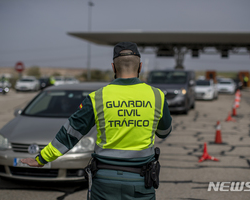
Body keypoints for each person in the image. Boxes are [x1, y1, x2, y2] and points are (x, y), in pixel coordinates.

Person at [21, 42, 172, 200]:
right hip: (140, 180)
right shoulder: (157, 96)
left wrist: (42, 158)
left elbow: (70, 133)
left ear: (113, 67)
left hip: (104, 182)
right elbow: (164, 132)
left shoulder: (97, 97)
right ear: (140, 67)